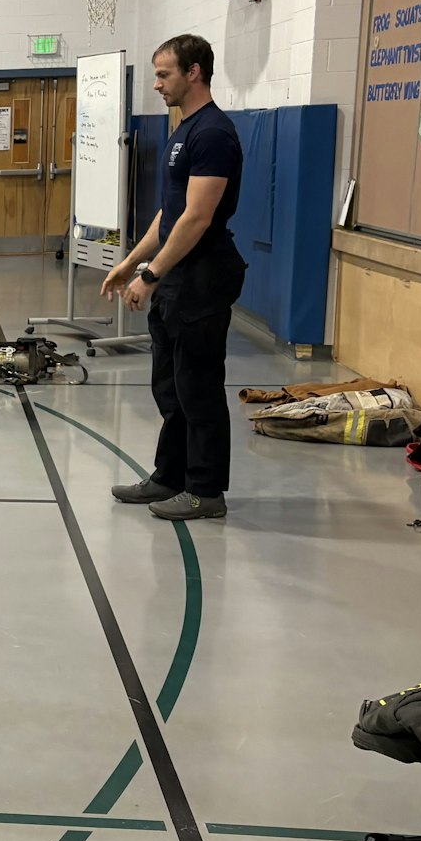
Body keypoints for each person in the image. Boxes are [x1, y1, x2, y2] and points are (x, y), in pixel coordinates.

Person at [100, 33, 247, 522]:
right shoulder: (184, 131)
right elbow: (169, 215)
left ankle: (205, 490)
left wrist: (151, 273)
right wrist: (129, 263)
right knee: (171, 387)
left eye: (164, 74)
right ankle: (170, 476)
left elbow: (197, 218)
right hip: (176, 282)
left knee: (199, 387)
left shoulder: (213, 134)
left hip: (201, 280)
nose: (158, 84)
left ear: (194, 73)